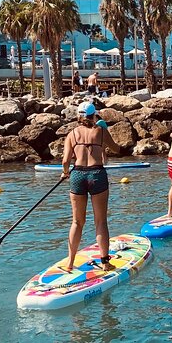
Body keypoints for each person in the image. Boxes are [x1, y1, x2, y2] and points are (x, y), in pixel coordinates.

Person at [61, 101, 120, 271]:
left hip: (78, 175)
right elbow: (117, 149)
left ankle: (70, 263)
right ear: (94, 115)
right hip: (97, 175)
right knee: (100, 221)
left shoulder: (71, 134)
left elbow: (65, 161)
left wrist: (65, 172)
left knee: (77, 222)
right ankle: (105, 262)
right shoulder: (101, 132)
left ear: (78, 116)